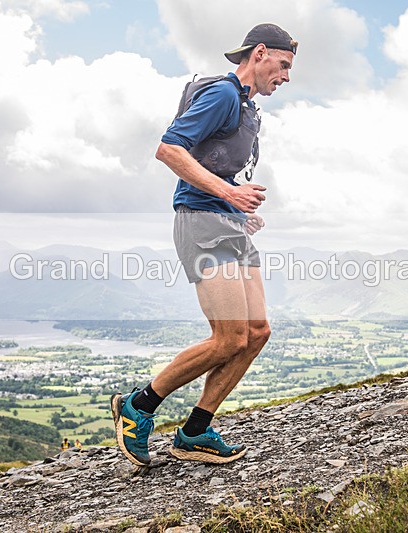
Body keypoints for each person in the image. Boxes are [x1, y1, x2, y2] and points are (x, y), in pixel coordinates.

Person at [111, 23, 297, 465]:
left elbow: (217, 167)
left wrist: (237, 206)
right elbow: (169, 149)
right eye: (284, 66)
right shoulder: (223, 95)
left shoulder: (248, 107)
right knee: (229, 335)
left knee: (256, 332)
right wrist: (228, 195)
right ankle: (139, 406)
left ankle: (195, 430)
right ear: (261, 53)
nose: (287, 77)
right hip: (201, 223)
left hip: (227, 222)